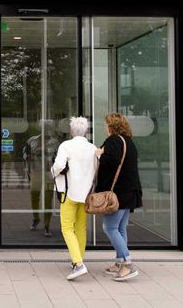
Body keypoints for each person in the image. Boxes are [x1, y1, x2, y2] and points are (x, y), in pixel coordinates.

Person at [96, 113, 143, 281]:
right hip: (130, 190)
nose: (105, 127)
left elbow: (111, 161)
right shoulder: (128, 141)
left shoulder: (113, 140)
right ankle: (119, 262)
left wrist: (99, 154)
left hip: (118, 193)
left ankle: (127, 264)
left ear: (112, 126)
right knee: (121, 228)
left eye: (106, 124)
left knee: (109, 227)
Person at [50, 116, 98, 280]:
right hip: (86, 194)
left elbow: (58, 166)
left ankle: (78, 264)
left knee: (67, 228)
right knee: (81, 228)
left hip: (69, 192)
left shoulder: (66, 145)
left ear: (71, 131)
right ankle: (78, 260)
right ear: (86, 131)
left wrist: (53, 172)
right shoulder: (92, 148)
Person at [23, 120, 60, 237]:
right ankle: (36, 218)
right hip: (36, 172)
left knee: (48, 199)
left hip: (49, 173)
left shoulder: (55, 143)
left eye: (48, 127)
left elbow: (59, 158)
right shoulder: (32, 140)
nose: (46, 129)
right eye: (44, 127)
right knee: (34, 196)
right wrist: (30, 157)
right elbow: (25, 155)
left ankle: (47, 226)